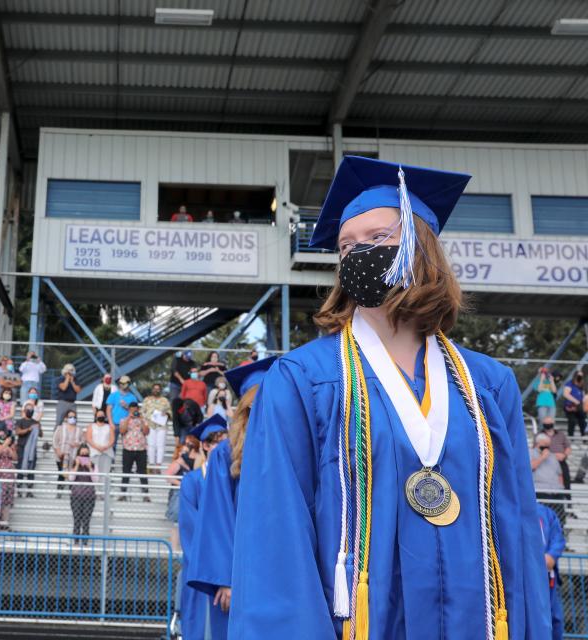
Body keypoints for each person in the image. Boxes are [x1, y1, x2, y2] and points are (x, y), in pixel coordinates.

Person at [231, 156, 549, 638]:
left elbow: (517, 533)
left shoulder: (488, 385)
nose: (358, 253)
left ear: (421, 249)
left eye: (378, 239)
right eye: (345, 247)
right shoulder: (302, 381)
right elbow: (276, 544)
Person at [186, 358, 275, 638]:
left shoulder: (286, 446)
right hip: (240, 572)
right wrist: (225, 578)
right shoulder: (226, 453)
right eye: (254, 407)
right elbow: (217, 517)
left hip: (277, 567)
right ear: (244, 410)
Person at [178, 416, 228, 640]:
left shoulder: (235, 477)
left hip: (228, 571)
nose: (222, 446)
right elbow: (192, 528)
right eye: (216, 441)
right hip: (201, 569)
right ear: (205, 446)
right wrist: (214, 569)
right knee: (199, 628)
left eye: (225, 440)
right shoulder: (192, 481)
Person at [537, 501, 565, 640]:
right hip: (524, 577)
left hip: (547, 576)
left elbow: (558, 538)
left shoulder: (546, 513)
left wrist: (551, 556)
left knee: (554, 617)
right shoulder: (512, 510)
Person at [532, 431, 566, 526]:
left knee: (559, 521)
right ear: (538, 443)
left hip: (556, 492)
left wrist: (561, 488)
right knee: (542, 521)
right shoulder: (529, 453)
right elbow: (531, 467)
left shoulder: (552, 456)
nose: (546, 447)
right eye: (544, 444)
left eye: (548, 445)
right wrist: (542, 457)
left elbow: (560, 474)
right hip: (540, 492)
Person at [118, 402, 150, 501]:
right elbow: (122, 431)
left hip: (141, 449)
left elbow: (146, 432)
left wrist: (141, 419)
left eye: (135, 409)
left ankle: (145, 495)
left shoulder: (143, 420)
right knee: (125, 472)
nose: (133, 411)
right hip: (128, 449)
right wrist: (129, 418)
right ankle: (123, 494)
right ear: (129, 410)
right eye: (131, 409)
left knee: (143, 472)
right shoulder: (124, 420)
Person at [69, 444, 97, 542]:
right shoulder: (74, 464)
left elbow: (95, 480)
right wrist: (77, 465)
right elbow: (71, 478)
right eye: (82, 454)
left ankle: (85, 542)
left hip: (89, 496)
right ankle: (76, 541)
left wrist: (90, 468)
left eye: (86, 454)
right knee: (77, 520)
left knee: (86, 520)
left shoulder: (93, 465)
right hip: (76, 495)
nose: (84, 456)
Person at [14, 402, 42, 496]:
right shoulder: (20, 421)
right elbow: (18, 432)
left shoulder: (36, 422)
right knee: (20, 469)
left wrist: (39, 427)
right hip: (22, 448)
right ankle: (19, 490)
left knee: (31, 469)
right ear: (24, 410)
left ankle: (29, 490)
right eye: (28, 409)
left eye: (31, 409)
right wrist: (28, 430)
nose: (30, 410)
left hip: (32, 450)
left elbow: (41, 435)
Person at [142, 383, 172, 470]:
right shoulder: (147, 400)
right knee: (151, 445)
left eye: (158, 389)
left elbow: (170, 412)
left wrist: (166, 413)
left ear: (160, 390)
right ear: (152, 390)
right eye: (154, 388)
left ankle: (158, 465)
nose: (156, 390)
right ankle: (151, 464)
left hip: (161, 425)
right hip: (150, 425)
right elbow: (142, 411)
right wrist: (145, 422)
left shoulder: (165, 400)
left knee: (160, 445)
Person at [53, 409, 84, 489]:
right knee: (62, 474)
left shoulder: (79, 430)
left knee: (73, 475)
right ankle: (59, 492)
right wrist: (58, 452)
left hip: (74, 456)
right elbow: (55, 441)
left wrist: (78, 444)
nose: (72, 418)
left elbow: (83, 442)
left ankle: (72, 492)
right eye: (70, 417)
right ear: (66, 418)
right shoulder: (60, 428)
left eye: (74, 417)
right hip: (62, 456)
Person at [0, 429, 18, 529]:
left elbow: (15, 458)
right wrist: (3, 446)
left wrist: (10, 447)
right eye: (0, 436)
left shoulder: (9, 447)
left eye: (4, 436)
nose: (2, 438)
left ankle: (5, 522)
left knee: (7, 500)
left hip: (9, 476)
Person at [106, 375, 137, 442]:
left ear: (129, 384)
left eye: (124, 383)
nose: (122, 385)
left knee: (127, 444)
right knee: (112, 444)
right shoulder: (113, 395)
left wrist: (127, 407)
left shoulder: (132, 397)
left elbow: (135, 412)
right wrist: (111, 423)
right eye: (121, 383)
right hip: (115, 423)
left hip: (127, 424)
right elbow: (108, 410)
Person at [86, 409, 115, 476]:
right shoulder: (91, 426)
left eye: (102, 415)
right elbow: (88, 439)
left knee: (105, 473)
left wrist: (106, 447)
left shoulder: (109, 427)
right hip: (94, 453)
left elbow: (112, 439)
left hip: (107, 453)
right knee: (94, 474)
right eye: (99, 415)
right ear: (96, 417)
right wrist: (97, 447)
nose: (101, 416)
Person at [564, 371, 586, 437]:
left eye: (581, 376)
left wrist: (583, 402)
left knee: (582, 421)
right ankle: (571, 437)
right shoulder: (570, 383)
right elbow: (566, 394)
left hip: (580, 406)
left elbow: (583, 395)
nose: (580, 377)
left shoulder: (581, 384)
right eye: (579, 375)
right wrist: (575, 401)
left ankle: (584, 436)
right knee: (572, 421)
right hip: (570, 405)